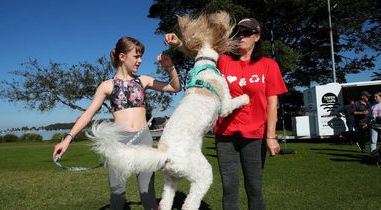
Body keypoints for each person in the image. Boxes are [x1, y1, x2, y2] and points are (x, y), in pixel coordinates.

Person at [164, 17, 287, 210]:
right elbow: (198, 54)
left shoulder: (268, 65)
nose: (241, 37)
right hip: (225, 136)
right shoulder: (224, 60)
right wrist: (178, 42)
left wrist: (271, 136)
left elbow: (272, 103)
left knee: (254, 188)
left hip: (255, 135)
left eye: (247, 33)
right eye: (238, 33)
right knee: (229, 189)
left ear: (257, 36)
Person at [52, 36, 181, 210]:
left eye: (141, 56)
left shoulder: (143, 80)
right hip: (119, 143)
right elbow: (88, 113)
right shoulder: (107, 85)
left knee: (148, 195)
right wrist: (68, 138)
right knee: (117, 195)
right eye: (136, 56)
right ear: (122, 57)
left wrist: (170, 67)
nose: (140, 60)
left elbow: (175, 87)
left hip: (144, 140)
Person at [369, 92, 381, 156]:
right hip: (373, 126)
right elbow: (370, 116)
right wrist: (368, 123)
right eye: (374, 97)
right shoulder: (373, 106)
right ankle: (372, 155)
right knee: (373, 141)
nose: (375, 98)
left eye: (376, 97)